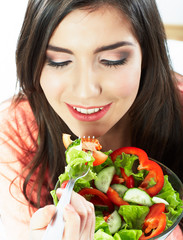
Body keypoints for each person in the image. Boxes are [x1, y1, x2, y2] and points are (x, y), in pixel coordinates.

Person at [0, 0, 182, 239]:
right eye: (59, 61)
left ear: (146, 55)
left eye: (112, 60)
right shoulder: (16, 133)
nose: (86, 92)